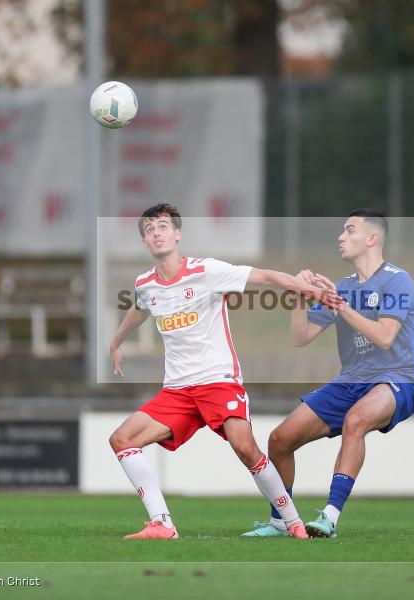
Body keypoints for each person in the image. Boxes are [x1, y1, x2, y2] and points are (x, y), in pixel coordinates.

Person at [108, 203, 339, 540]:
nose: (156, 234)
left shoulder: (207, 271)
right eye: (149, 230)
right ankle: (162, 523)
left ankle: (292, 522)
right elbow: (141, 308)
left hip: (219, 381)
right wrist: (116, 342)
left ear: (177, 233)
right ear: (144, 242)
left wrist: (314, 292)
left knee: (245, 448)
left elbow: (266, 276)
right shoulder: (145, 284)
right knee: (122, 440)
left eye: (162, 227)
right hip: (178, 390)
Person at [242, 208, 414, 538]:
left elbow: (384, 336)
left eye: (349, 230)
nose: (341, 237)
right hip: (351, 380)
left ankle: (330, 517)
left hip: (396, 378)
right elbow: (301, 336)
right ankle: (282, 521)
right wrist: (299, 294)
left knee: (356, 421)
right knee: (280, 440)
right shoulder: (343, 287)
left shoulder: (398, 280)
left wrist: (340, 305)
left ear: (372, 238)